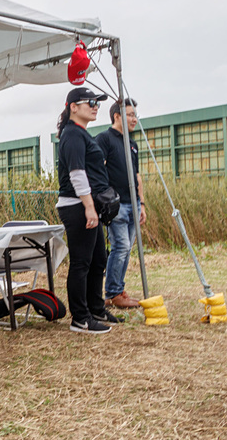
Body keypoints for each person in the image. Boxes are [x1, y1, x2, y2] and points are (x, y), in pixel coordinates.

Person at [56, 87, 121, 334]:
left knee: (98, 259)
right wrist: (89, 207)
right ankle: (80, 319)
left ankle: (95, 308)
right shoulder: (72, 134)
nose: (95, 106)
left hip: (86, 204)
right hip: (77, 205)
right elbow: (76, 173)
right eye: (90, 102)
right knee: (82, 262)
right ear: (73, 106)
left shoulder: (82, 134)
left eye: (98, 103)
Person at [96, 99, 146, 308]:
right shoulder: (104, 139)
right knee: (121, 246)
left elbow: (137, 175)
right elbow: (97, 170)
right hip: (116, 205)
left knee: (127, 248)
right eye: (130, 114)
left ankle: (117, 290)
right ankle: (113, 293)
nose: (134, 119)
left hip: (133, 203)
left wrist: (142, 203)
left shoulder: (132, 144)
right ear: (117, 116)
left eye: (135, 115)